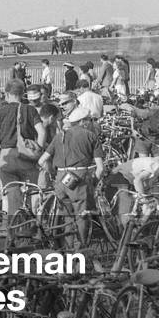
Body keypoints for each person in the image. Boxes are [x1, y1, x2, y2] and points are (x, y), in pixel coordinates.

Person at [37, 98, 104, 248]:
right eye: (89, 120)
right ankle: (81, 247)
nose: (90, 122)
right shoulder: (91, 136)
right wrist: (93, 182)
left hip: (61, 178)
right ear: (83, 121)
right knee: (82, 214)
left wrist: (53, 173)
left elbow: (42, 161)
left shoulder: (59, 136)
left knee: (66, 215)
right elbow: (100, 168)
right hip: (79, 177)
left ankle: (67, 247)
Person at [0, 80, 47, 221]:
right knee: (30, 195)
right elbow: (42, 132)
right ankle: (30, 225)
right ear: (22, 94)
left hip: (7, 158)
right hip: (26, 158)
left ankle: (14, 229)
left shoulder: (1, 111)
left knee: (12, 196)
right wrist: (37, 149)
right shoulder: (30, 109)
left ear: (7, 94)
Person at [110, 156, 159, 226]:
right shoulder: (153, 168)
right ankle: (124, 236)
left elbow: (154, 187)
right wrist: (144, 200)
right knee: (125, 209)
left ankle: (138, 226)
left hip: (127, 178)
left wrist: (157, 199)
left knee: (148, 204)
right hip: (120, 177)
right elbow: (137, 181)